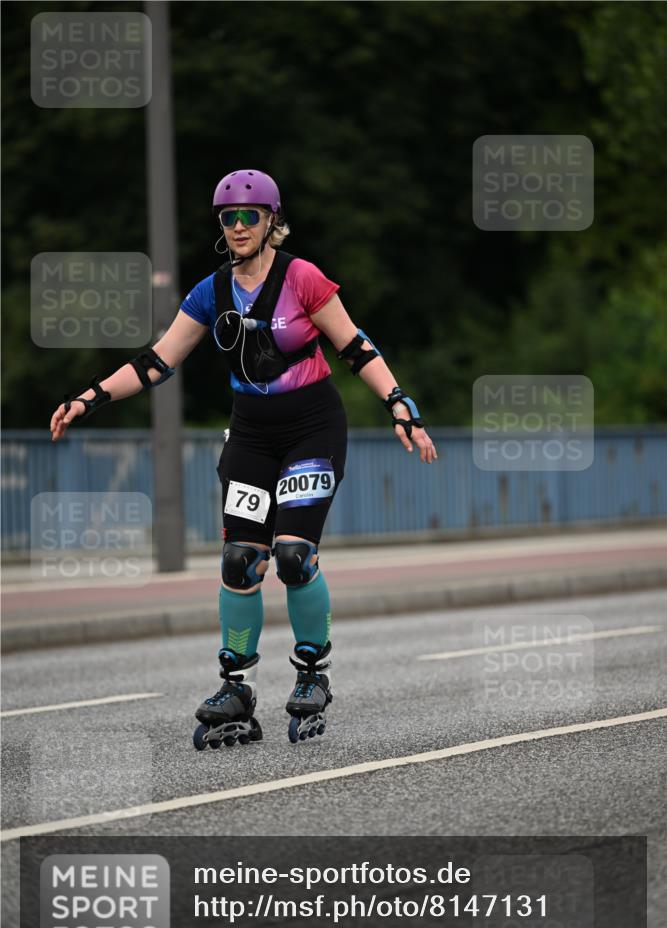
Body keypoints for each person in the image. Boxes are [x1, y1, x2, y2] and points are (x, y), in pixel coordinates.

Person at [50, 168, 438, 748]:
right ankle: (237, 688)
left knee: (293, 555)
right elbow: (157, 361)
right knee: (239, 560)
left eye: (248, 216)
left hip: (312, 427)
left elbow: (356, 347)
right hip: (252, 434)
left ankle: (312, 673)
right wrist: (89, 397)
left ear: (270, 221)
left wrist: (400, 404)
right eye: (227, 217)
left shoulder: (301, 278)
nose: (237, 226)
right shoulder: (211, 291)